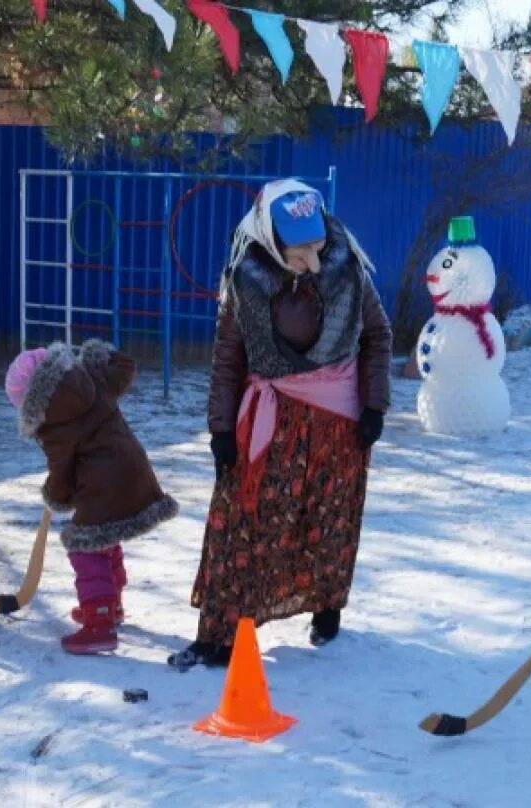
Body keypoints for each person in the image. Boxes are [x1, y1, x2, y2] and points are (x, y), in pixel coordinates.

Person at [168, 179, 392, 669]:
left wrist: (375, 405)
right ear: (271, 240)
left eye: (317, 247)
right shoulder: (244, 280)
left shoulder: (347, 267)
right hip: (270, 420)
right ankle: (220, 636)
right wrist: (222, 429)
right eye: (299, 252)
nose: (312, 262)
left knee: (327, 519)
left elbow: (376, 335)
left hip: (338, 423)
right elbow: (228, 360)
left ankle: (327, 604)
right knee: (241, 524)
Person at [5, 339, 178, 654]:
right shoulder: (91, 378)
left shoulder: (53, 424)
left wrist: (56, 496)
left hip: (103, 482)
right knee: (105, 538)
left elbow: (62, 469)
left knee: (84, 547)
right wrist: (101, 355)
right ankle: (111, 605)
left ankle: (99, 622)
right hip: (134, 468)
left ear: (30, 402)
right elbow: (125, 368)